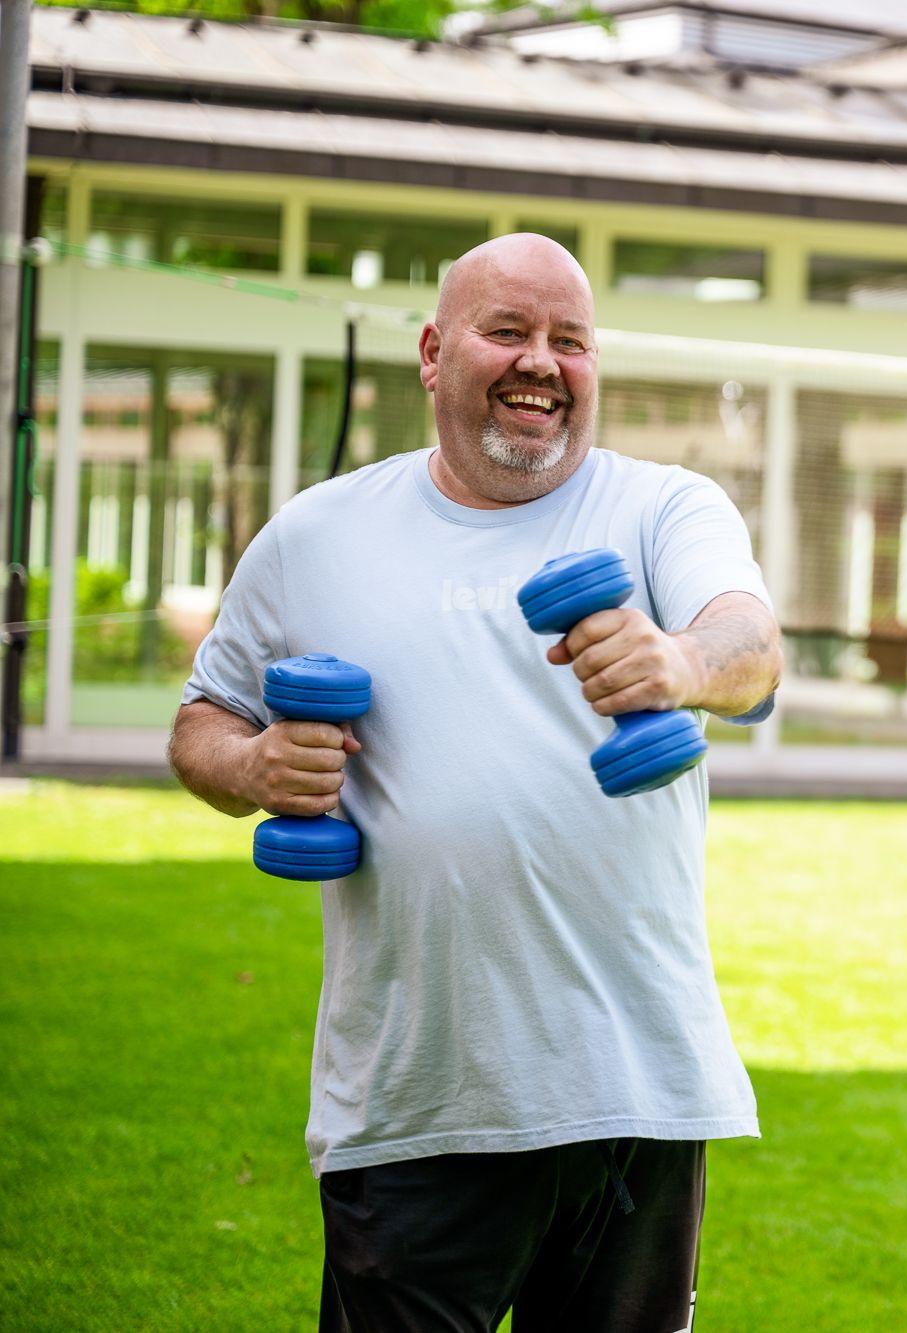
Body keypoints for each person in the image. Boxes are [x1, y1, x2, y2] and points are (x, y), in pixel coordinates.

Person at [168, 233, 783, 1332]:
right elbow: (201, 720)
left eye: (570, 341)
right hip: (415, 1103)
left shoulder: (660, 509)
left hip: (633, 1094)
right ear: (432, 351)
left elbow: (750, 642)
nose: (541, 361)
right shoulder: (318, 535)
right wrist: (256, 763)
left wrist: (682, 661)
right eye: (507, 330)